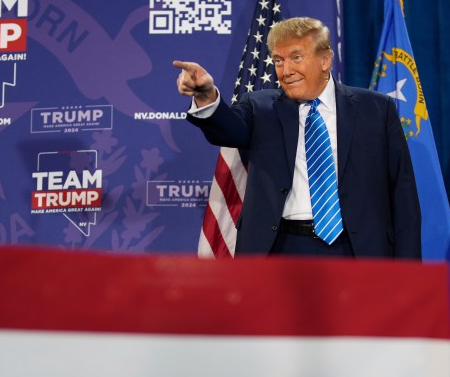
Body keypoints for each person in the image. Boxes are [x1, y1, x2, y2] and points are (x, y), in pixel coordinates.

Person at [174, 16, 421, 258]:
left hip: (355, 249)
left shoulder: (376, 109)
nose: (286, 70)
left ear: (325, 60)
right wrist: (206, 96)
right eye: (278, 60)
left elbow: (402, 192)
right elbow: (227, 130)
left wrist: (408, 271)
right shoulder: (260, 108)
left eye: (296, 58)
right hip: (280, 249)